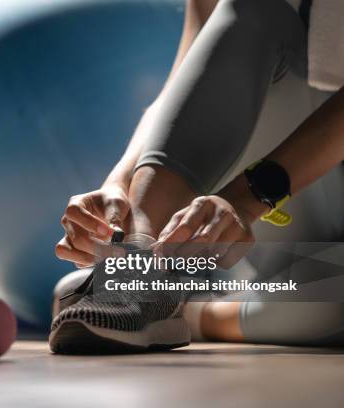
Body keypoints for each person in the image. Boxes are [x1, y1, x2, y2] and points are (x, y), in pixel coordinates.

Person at [50, 0, 344, 353]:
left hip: (294, 193)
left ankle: (187, 308)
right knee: (257, 7)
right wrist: (119, 183)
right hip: (298, 215)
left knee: (328, 298)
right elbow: (184, 87)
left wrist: (246, 200)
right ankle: (138, 268)